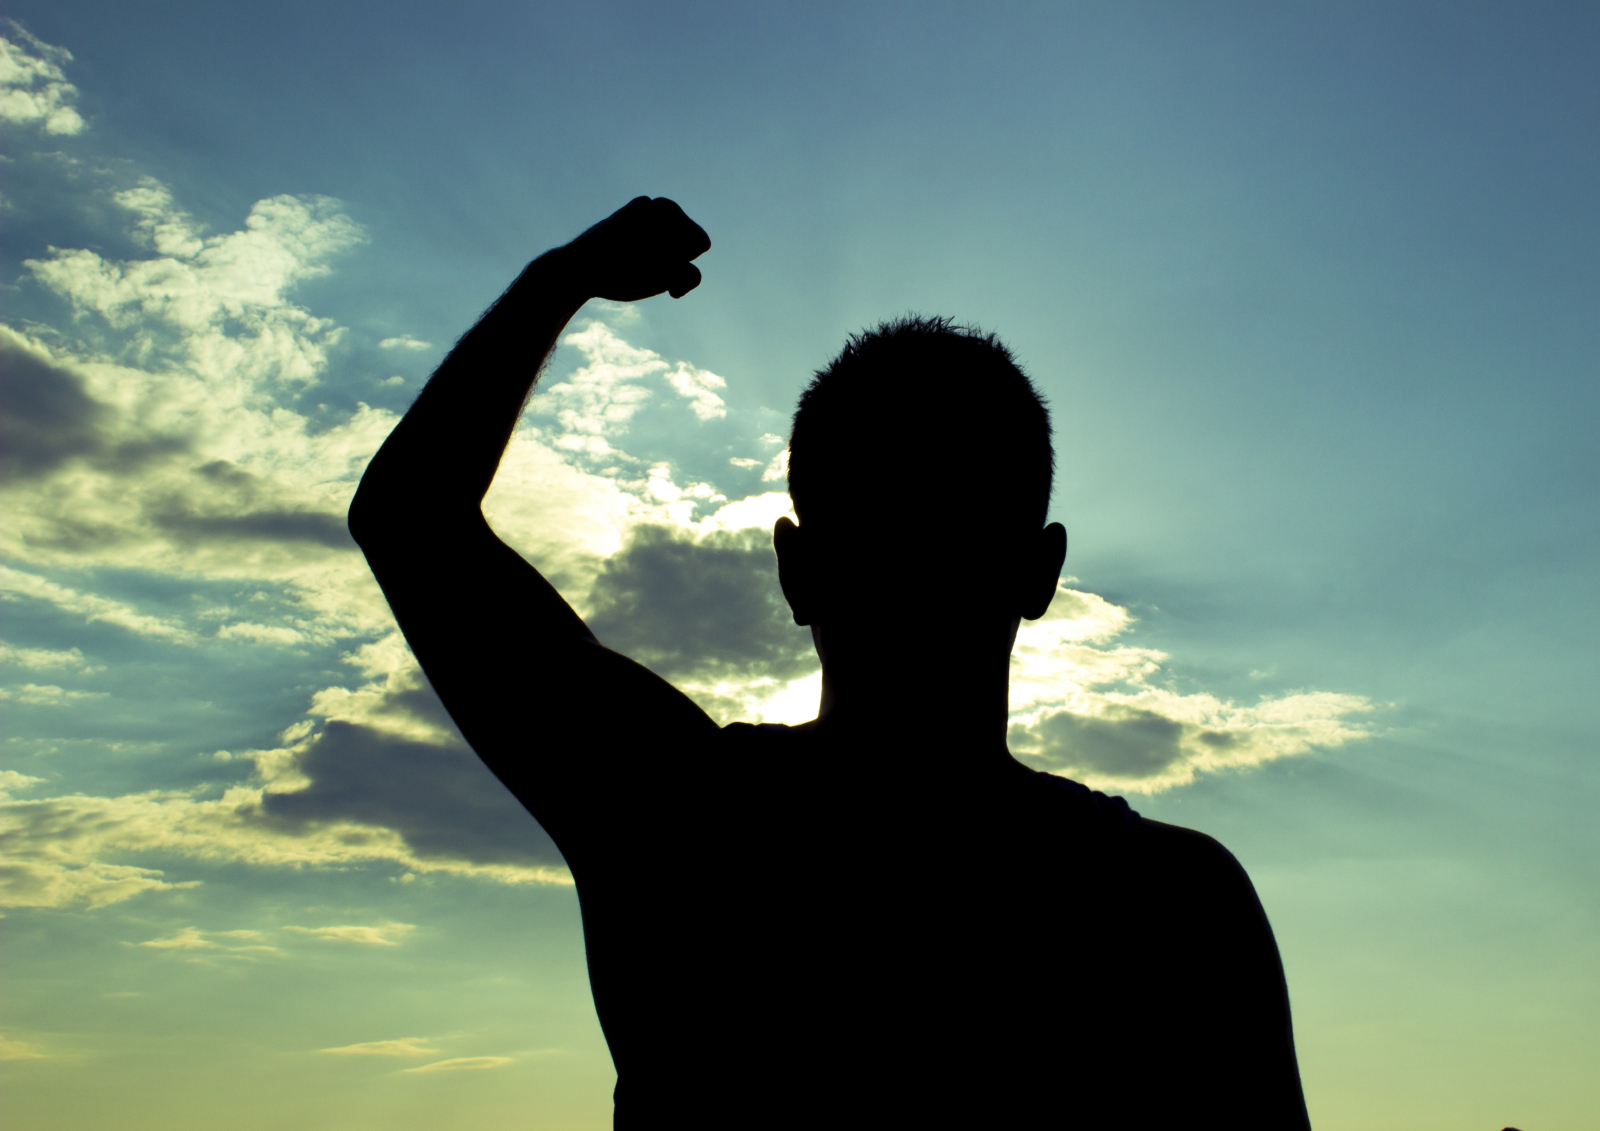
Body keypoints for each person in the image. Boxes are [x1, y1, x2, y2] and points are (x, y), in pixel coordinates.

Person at [349, 197, 1310, 1128]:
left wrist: (558, 282)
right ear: (1040, 571)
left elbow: (408, 517)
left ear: (796, 571)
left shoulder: (678, 819)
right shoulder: (1178, 906)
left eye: (944, 530)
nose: (917, 565)